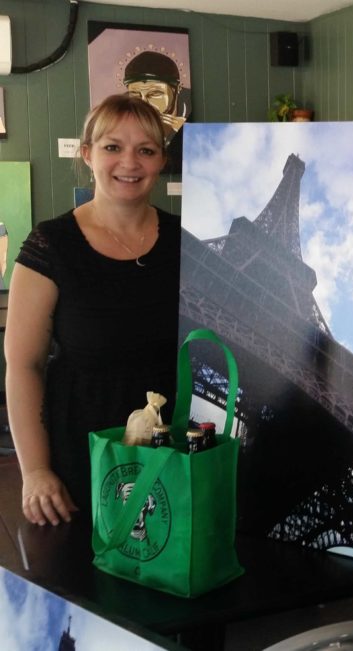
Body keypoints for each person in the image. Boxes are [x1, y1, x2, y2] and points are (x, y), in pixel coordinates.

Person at [5, 94, 180, 526]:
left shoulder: (185, 239)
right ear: (87, 155)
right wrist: (36, 471)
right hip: (80, 449)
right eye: (112, 147)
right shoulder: (50, 244)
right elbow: (22, 365)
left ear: (161, 161)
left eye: (146, 149)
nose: (130, 162)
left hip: (173, 444)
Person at [122, 50, 188, 142]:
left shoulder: (194, 105)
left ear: (177, 89)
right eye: (135, 94)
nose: (144, 103)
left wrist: (185, 131)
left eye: (154, 94)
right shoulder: (120, 109)